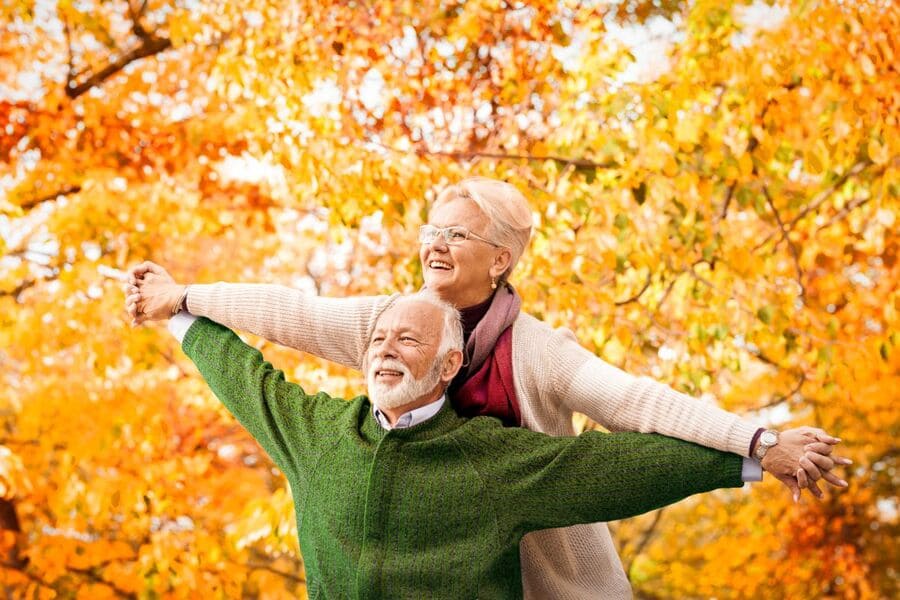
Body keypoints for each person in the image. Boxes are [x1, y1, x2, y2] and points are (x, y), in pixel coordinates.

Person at [126, 177, 848, 599]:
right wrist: (182, 298)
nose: (435, 244)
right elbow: (287, 313)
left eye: (458, 236)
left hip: (543, 565)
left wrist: (757, 442)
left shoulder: (537, 352)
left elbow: (636, 405)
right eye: (431, 229)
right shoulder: (393, 322)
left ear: (500, 258)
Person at [157, 291, 814, 599]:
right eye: (379, 340)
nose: (386, 349)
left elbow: (622, 465)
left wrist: (754, 453)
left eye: (407, 341)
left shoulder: (492, 461)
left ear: (447, 367)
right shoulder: (319, 435)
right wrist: (174, 309)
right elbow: (245, 374)